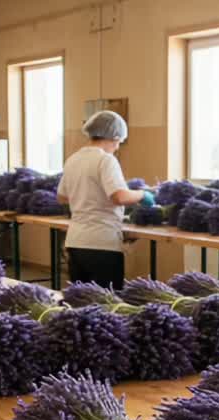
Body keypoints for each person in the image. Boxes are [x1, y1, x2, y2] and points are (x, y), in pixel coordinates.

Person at [56, 110, 154, 288]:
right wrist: (142, 194)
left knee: (82, 302)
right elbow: (119, 196)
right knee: (106, 306)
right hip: (102, 243)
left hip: (76, 242)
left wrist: (86, 198)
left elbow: (62, 197)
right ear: (114, 137)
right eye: (119, 142)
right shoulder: (106, 160)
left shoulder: (73, 159)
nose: (118, 147)